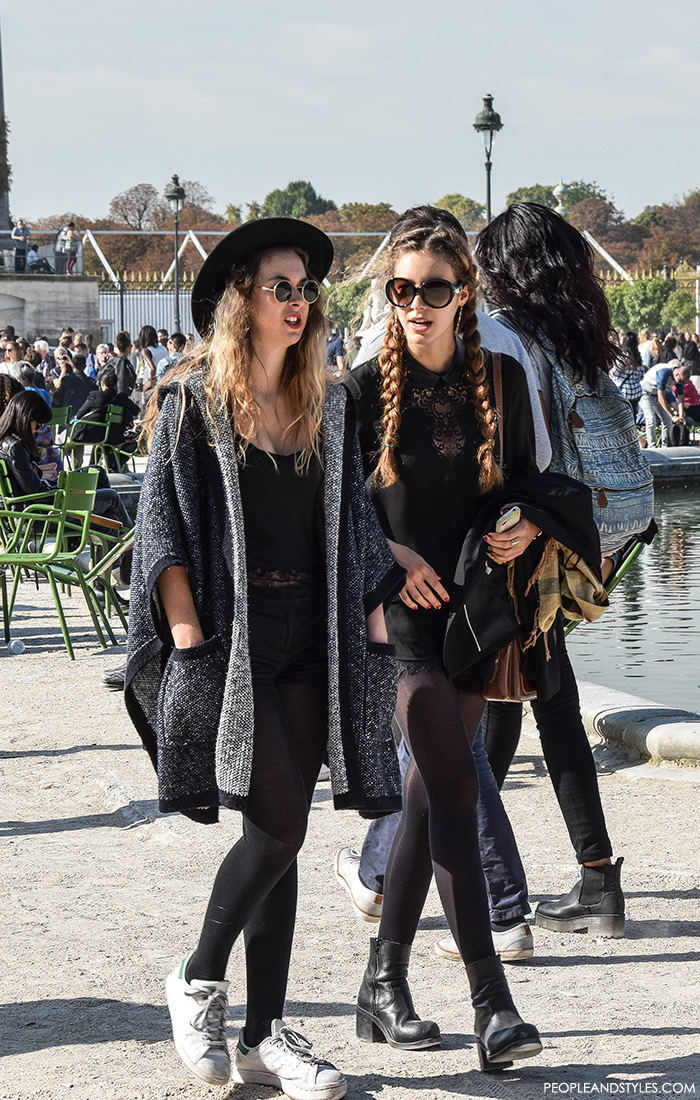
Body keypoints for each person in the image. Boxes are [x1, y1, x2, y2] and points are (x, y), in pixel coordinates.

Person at [124, 218, 405, 1096]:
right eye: (281, 285)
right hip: (234, 644)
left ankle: (265, 1035)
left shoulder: (332, 399)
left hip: (313, 637)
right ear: (242, 298)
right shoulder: (192, 401)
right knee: (281, 822)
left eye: (306, 288)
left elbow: (359, 527)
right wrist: (191, 650)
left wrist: (376, 638)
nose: (299, 300)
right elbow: (162, 533)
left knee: (277, 833)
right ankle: (197, 975)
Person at [350, 205, 542, 1072]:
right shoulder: (357, 393)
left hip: (477, 614)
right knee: (457, 785)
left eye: (433, 288)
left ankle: (380, 983)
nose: (416, 303)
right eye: (403, 288)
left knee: (433, 789)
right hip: (398, 626)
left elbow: (534, 488)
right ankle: (491, 1002)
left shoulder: (500, 378)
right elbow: (334, 515)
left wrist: (519, 526)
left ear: (463, 293)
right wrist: (388, 555)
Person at [474, 201, 626, 937]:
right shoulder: (580, 334)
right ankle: (583, 875)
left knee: (523, 691)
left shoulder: (518, 337)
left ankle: (480, 865)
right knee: (527, 692)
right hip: (587, 532)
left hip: (535, 533)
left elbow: (529, 456)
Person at [0, 390, 132, 531]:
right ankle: (134, 541)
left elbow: (33, 489)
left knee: (98, 473)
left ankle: (126, 543)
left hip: (35, 511)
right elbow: (37, 494)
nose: (38, 431)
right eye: (38, 425)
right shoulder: (15, 447)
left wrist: (65, 488)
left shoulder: (9, 443)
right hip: (36, 517)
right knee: (111, 498)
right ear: (25, 419)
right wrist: (70, 492)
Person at [640, 359, 690, 447]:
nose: (681, 383)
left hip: (658, 394)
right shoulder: (664, 373)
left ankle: (665, 445)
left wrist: (681, 415)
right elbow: (661, 398)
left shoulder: (679, 377)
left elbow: (681, 398)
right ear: (677, 374)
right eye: (681, 381)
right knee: (651, 420)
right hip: (646, 394)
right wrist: (673, 415)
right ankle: (652, 446)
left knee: (667, 421)